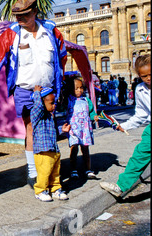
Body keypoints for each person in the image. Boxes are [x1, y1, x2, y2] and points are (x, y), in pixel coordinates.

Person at [0, 0, 67, 188]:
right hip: (25, 90)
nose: (20, 19)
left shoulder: (51, 30)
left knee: (49, 131)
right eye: (17, 15)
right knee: (31, 128)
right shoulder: (11, 34)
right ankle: (33, 173)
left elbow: (62, 56)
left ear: (35, 12)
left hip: (48, 91)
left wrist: (60, 82)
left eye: (24, 15)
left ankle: (49, 171)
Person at [100, 54, 150, 197]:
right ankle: (121, 186)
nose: (148, 78)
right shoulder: (140, 89)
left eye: (150, 74)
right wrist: (125, 126)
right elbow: (141, 114)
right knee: (139, 156)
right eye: (144, 76)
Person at [31, 85, 68, 202]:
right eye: (51, 103)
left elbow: (52, 134)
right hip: (43, 151)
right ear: (42, 102)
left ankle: (55, 189)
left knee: (55, 172)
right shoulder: (36, 114)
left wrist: (63, 132)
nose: (54, 105)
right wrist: (37, 93)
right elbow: (38, 106)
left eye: (54, 103)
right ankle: (40, 190)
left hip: (53, 150)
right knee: (44, 172)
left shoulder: (50, 117)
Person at [62, 77, 99, 179]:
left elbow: (91, 112)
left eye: (81, 87)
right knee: (74, 149)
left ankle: (88, 169)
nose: (79, 90)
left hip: (85, 129)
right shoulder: (68, 100)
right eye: (76, 88)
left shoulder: (86, 100)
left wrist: (94, 116)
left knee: (85, 149)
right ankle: (73, 170)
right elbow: (61, 108)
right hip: (73, 129)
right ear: (70, 89)